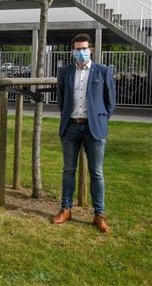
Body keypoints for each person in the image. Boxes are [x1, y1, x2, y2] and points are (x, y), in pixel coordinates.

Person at [52, 33, 116, 233]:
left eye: (84, 49)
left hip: (93, 129)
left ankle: (99, 214)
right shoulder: (65, 72)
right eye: (77, 49)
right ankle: (66, 209)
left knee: (96, 172)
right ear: (72, 50)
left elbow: (110, 102)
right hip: (70, 126)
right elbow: (61, 100)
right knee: (68, 170)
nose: (81, 52)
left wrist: (100, 121)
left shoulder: (102, 72)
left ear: (91, 50)